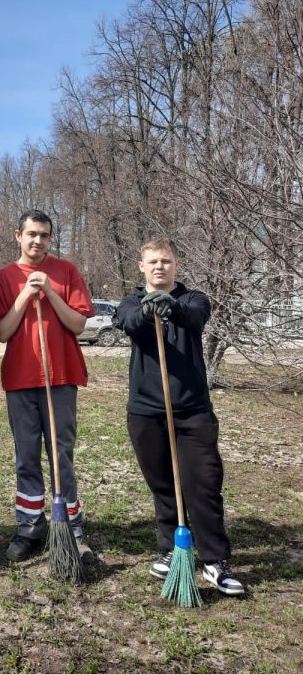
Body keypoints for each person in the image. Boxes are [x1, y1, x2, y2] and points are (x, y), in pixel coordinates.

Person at [114, 239, 244, 595]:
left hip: (192, 410)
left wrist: (169, 306)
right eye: (153, 261)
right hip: (146, 411)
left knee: (202, 482)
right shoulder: (129, 301)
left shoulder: (193, 299)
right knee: (163, 484)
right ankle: (173, 549)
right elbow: (130, 322)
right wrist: (146, 311)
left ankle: (215, 561)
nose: (160, 267)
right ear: (141, 266)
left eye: (166, 261)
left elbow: (195, 319)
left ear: (176, 265)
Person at [0, 209, 95, 563]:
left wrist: (51, 292)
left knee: (61, 453)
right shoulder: (5, 277)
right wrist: (24, 296)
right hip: (21, 379)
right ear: (18, 235)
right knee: (26, 456)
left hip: (61, 377)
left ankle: (71, 527)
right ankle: (30, 527)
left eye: (45, 235)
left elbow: (78, 324)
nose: (38, 241)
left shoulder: (66, 271)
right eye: (32, 234)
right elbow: (3, 332)